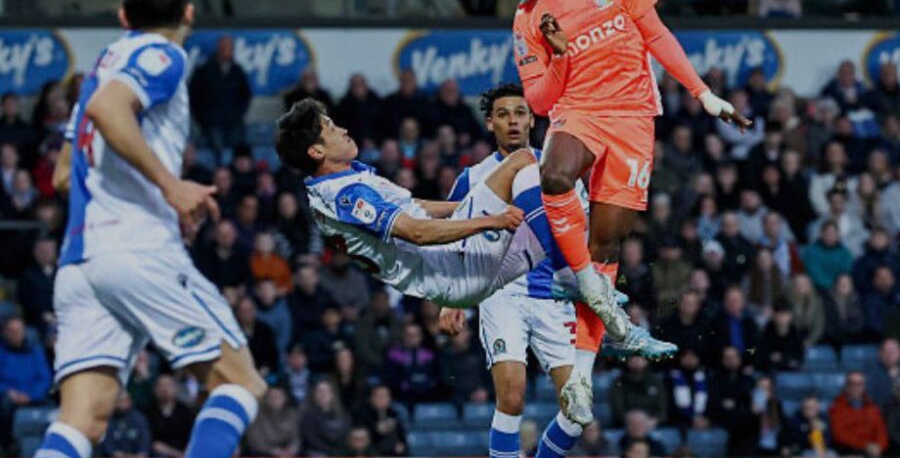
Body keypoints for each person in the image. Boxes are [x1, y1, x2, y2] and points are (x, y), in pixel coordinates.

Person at [2, 0, 267, 458]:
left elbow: (66, 173)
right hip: (136, 249)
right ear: (190, 13)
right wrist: (169, 187)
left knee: (83, 417)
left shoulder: (101, 65)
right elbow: (109, 110)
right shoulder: (161, 54)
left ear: (122, 12)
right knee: (241, 380)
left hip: (82, 258)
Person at [493, 0, 748, 426]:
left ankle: (581, 378)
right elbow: (541, 103)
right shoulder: (526, 21)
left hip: (633, 118)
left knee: (606, 246)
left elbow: (657, 35)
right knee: (556, 176)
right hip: (579, 112)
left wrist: (703, 94)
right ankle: (592, 290)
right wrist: (561, 54)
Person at [274, 100, 665, 362]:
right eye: (330, 128)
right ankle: (576, 282)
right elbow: (417, 232)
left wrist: (473, 209)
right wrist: (488, 219)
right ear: (316, 152)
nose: (342, 129)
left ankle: (607, 330)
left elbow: (417, 209)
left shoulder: (343, 181)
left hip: (459, 269)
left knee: (552, 208)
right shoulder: (344, 195)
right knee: (523, 163)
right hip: (452, 270)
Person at [438, 84, 583, 458]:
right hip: (500, 292)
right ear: (491, 124)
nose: (514, 121)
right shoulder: (474, 177)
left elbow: (577, 231)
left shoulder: (557, 170)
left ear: (533, 120)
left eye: (521, 113)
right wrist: (451, 297)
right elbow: (453, 234)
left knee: (578, 410)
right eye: (504, 114)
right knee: (513, 395)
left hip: (553, 295)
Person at [188, 34, 252, 166]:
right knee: (217, 156)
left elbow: (246, 95)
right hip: (212, 122)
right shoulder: (204, 70)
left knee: (238, 152)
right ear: (218, 49)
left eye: (229, 48)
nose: (226, 51)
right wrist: (203, 118)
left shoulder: (238, 71)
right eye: (223, 48)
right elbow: (194, 96)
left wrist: (238, 113)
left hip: (234, 121)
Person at [0, 316, 52, 455]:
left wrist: (31, 395)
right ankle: (8, 445)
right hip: (9, 397)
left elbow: (45, 378)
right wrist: (9, 392)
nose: (17, 335)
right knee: (5, 404)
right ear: (5, 333)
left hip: (32, 396)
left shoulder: (35, 351)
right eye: (13, 331)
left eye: (20, 331)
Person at [828, 371, 888, 457]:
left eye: (859, 384)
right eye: (852, 384)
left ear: (863, 386)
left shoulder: (872, 407)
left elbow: (881, 432)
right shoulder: (836, 407)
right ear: (846, 386)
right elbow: (839, 434)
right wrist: (865, 445)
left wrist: (879, 446)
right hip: (848, 452)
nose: (855, 387)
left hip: (873, 452)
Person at [146, 374, 196, 458]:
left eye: (169, 385)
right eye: (161, 385)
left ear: (176, 388)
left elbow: (193, 437)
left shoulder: (186, 412)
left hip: (184, 457)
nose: (164, 389)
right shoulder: (147, 412)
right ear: (155, 389)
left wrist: (182, 454)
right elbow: (153, 443)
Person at [299, 378, 350, 458]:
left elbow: (345, 434)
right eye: (320, 391)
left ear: (332, 394)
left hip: (339, 453)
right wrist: (330, 451)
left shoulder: (342, 415)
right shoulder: (308, 415)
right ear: (314, 395)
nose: (323, 394)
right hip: (317, 454)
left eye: (326, 391)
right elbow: (311, 439)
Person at [246, 386, 300, 458]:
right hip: (262, 456)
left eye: (278, 397)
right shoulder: (257, 415)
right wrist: (273, 451)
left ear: (285, 398)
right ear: (266, 399)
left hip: (288, 456)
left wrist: (292, 449)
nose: (275, 400)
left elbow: (296, 438)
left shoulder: (291, 414)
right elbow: (254, 440)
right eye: (272, 397)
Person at [98, 392, 150, 458]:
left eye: (122, 401)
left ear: (129, 401)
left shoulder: (139, 419)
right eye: (116, 401)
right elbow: (107, 446)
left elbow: (144, 444)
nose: (119, 404)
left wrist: (138, 456)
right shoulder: (107, 420)